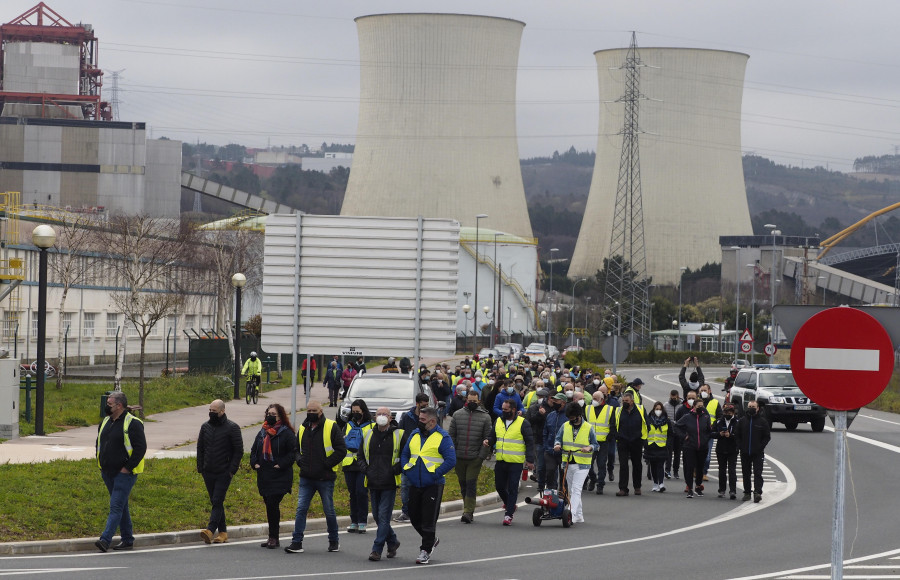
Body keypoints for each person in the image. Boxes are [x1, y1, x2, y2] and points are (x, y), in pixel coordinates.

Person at [284, 401, 347, 554]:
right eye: (309, 410)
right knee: (301, 509)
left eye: (314, 410)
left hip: (325, 477)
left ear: (321, 411)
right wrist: (299, 461)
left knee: (329, 510)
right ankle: (296, 542)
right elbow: (296, 449)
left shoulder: (331, 426)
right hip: (307, 477)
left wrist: (326, 464)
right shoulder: (303, 428)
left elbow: (341, 450)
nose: (311, 413)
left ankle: (334, 541)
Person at [400, 406, 456, 565]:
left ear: (432, 421)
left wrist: (435, 474)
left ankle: (425, 549)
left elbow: (451, 460)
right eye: (419, 418)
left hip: (433, 484)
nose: (419, 422)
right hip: (414, 482)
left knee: (428, 519)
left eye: (423, 420)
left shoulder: (442, 437)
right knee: (413, 515)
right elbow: (405, 454)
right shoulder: (414, 434)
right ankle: (431, 539)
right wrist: (406, 469)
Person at [95, 391, 146, 552]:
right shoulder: (105, 421)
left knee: (116, 506)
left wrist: (127, 468)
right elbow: (99, 443)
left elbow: (140, 448)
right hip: (107, 471)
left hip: (124, 473)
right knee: (121, 505)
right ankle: (127, 539)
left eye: (109, 404)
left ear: (119, 406)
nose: (106, 407)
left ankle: (105, 540)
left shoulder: (133, 423)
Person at [358, 407, 403, 561]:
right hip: (372, 481)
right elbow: (360, 456)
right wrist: (366, 470)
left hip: (389, 482)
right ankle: (392, 542)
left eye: (385, 414)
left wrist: (395, 470)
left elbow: (406, 456)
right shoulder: (368, 433)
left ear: (391, 418)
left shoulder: (399, 434)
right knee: (377, 516)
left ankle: (376, 549)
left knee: (383, 516)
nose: (382, 417)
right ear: (374, 417)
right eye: (379, 414)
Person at [196, 399, 243, 544]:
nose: (211, 413)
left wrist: (231, 470)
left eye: (214, 411)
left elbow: (238, 451)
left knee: (217, 500)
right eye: (210, 410)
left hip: (224, 472)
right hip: (208, 471)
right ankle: (223, 532)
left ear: (222, 411)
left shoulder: (232, 428)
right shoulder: (205, 427)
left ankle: (210, 530)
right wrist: (201, 467)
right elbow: (200, 448)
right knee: (216, 501)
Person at [250, 404, 297, 548]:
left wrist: (281, 464)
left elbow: (293, 452)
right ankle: (272, 537)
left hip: (279, 474)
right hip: (264, 473)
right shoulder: (262, 431)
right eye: (268, 413)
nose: (270, 416)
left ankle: (273, 537)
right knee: (269, 505)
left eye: (273, 414)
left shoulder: (286, 432)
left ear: (280, 416)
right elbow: (254, 450)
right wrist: (254, 463)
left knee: (272, 504)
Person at [486, 399, 535, 526]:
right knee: (499, 486)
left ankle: (508, 514)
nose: (503, 411)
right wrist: (488, 441)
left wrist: (530, 460)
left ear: (513, 410)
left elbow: (530, 442)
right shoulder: (498, 421)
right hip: (501, 460)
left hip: (515, 462)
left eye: (506, 409)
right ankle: (510, 504)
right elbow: (492, 436)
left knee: (513, 488)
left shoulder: (523, 423)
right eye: (502, 409)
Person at [448, 390, 492, 523]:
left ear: (479, 401)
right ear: (466, 400)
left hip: (475, 458)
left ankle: (468, 512)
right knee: (463, 484)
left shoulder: (485, 417)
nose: (472, 403)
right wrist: (452, 452)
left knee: (470, 483)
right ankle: (466, 506)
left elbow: (488, 438)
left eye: (474, 401)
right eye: (470, 400)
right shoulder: (457, 415)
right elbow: (451, 436)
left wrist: (481, 456)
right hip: (459, 456)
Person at [554, 402, 598, 524]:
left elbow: (596, 444)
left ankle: (571, 515)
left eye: (573, 418)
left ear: (579, 415)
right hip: (567, 462)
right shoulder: (565, 426)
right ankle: (579, 515)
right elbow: (558, 438)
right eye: (569, 418)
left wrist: (589, 448)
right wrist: (557, 445)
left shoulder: (588, 427)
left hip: (583, 464)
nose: (571, 420)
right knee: (572, 491)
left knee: (577, 489)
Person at [394, 393, 430, 523]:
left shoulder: (430, 417)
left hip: (424, 458)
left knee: (421, 486)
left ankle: (420, 511)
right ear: (417, 404)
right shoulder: (406, 418)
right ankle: (406, 512)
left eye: (427, 405)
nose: (425, 407)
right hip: (408, 458)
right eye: (423, 405)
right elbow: (400, 434)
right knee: (405, 486)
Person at [342, 399, 374, 534]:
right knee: (353, 494)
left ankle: (362, 521)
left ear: (363, 411)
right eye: (353, 412)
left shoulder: (371, 426)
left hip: (363, 465)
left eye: (358, 412)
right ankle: (353, 521)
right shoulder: (348, 425)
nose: (355, 414)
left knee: (361, 492)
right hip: (349, 464)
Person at [611, 391, 647, 496]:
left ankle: (637, 486)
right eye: (623, 401)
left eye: (626, 401)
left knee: (637, 464)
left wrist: (643, 439)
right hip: (623, 441)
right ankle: (623, 488)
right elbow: (613, 424)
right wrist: (616, 435)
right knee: (623, 465)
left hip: (636, 440)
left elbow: (647, 423)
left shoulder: (640, 409)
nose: (624, 403)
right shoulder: (618, 410)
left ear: (632, 401)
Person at [675, 398, 712, 498]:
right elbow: (676, 427)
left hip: (702, 447)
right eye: (699, 406)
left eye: (702, 406)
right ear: (694, 406)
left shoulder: (705, 417)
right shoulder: (687, 417)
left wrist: (706, 438)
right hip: (689, 446)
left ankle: (698, 486)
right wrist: (684, 436)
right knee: (689, 467)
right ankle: (690, 488)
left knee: (700, 468)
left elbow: (709, 430)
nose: (701, 408)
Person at [736, 400, 771, 503]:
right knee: (746, 473)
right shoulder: (742, 421)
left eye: (753, 407)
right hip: (745, 452)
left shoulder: (762, 421)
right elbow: (737, 435)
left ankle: (757, 493)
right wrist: (741, 446)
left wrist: (760, 447)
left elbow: (767, 437)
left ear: (758, 408)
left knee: (758, 473)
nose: (751, 408)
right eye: (750, 406)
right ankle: (747, 493)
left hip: (758, 453)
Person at [586, 390, 614, 495]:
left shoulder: (609, 409)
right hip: (590, 442)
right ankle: (593, 479)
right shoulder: (588, 408)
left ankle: (600, 485)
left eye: (596, 399)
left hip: (603, 442)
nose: (593, 401)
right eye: (593, 398)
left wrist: (609, 437)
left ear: (602, 399)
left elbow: (613, 425)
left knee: (601, 464)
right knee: (588, 464)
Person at [525, 387, 551, 492]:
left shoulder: (550, 408)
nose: (540, 398)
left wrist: (544, 414)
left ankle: (547, 481)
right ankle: (539, 480)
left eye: (543, 397)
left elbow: (549, 420)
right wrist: (539, 414)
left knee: (547, 462)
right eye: (539, 396)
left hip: (547, 437)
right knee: (538, 459)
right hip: (536, 436)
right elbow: (529, 421)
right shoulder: (532, 408)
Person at [542, 393, 569, 491]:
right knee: (550, 472)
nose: (553, 402)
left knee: (563, 476)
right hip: (550, 451)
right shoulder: (550, 415)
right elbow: (545, 432)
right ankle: (551, 493)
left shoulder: (568, 416)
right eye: (553, 400)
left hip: (564, 452)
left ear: (563, 403)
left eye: (556, 401)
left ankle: (563, 497)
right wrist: (546, 446)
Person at [712, 403, 739, 499]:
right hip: (721, 449)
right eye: (725, 411)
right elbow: (712, 434)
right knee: (722, 470)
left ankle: (732, 491)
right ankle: (722, 490)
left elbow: (740, 436)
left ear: (733, 412)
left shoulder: (737, 421)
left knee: (732, 470)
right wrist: (720, 434)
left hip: (733, 450)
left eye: (729, 412)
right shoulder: (719, 421)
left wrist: (730, 435)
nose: (727, 413)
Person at [645, 401, 673, 492]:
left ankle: (661, 483)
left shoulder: (666, 421)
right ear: (654, 409)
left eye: (660, 409)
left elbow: (670, 434)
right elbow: (645, 432)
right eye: (657, 409)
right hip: (651, 446)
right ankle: (655, 483)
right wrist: (645, 443)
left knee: (660, 465)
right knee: (653, 466)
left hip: (662, 446)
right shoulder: (648, 420)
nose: (658, 411)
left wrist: (668, 444)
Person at [698, 383, 722, 481]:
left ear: (709, 391)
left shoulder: (715, 402)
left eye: (705, 390)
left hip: (709, 433)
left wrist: (715, 426)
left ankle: (704, 472)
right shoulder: (697, 402)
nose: (703, 392)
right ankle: (696, 470)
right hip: (697, 432)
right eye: (701, 391)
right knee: (697, 453)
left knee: (707, 456)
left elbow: (720, 417)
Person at [664, 390, 682, 479]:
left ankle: (676, 471)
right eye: (672, 397)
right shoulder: (666, 405)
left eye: (675, 397)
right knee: (668, 452)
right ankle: (667, 470)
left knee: (677, 453)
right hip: (669, 433)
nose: (673, 398)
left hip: (679, 433)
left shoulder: (681, 405)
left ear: (678, 396)